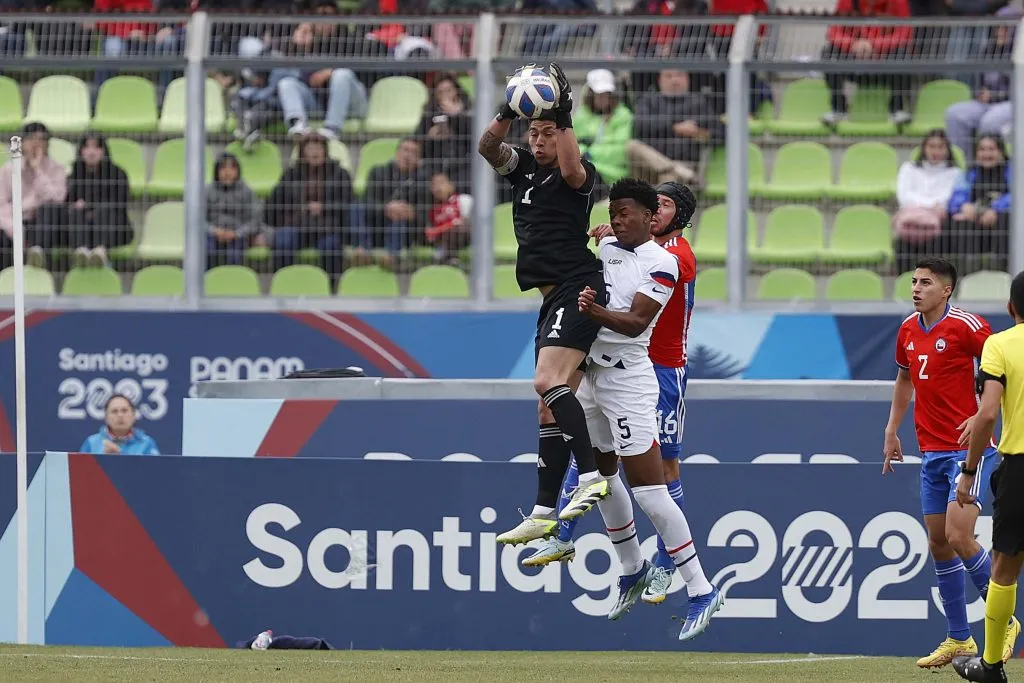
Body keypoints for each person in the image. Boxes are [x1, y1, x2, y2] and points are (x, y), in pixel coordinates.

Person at [524, 182, 699, 609]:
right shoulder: (625, 244)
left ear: (677, 216)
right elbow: (618, 257)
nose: (655, 211)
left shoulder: (675, 255)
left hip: (659, 364)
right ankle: (571, 538)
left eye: (664, 205)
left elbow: (639, 303)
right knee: (594, 457)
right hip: (607, 361)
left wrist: (617, 242)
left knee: (662, 470)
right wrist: (610, 238)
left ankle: (666, 565)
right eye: (650, 204)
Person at [572, 178, 723, 638]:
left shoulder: (667, 260)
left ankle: (701, 589)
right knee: (601, 476)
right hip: (593, 375)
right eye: (613, 211)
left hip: (632, 379)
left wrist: (592, 311)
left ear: (650, 216)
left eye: (627, 212)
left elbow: (637, 322)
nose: (617, 218)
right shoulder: (612, 247)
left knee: (652, 488)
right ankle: (633, 567)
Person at [478, 63, 610, 544]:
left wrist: (565, 110)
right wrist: (507, 109)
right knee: (548, 408)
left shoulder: (578, 174)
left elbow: (573, 168)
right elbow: (487, 148)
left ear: (564, 136)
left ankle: (592, 475)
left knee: (545, 382)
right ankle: (542, 510)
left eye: (547, 133)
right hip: (552, 295)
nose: (537, 141)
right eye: (532, 133)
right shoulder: (524, 171)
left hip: (578, 286)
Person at [882, 257, 1019, 669]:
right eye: (913, 281)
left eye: (926, 282)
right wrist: (892, 429)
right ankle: (959, 637)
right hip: (931, 450)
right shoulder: (908, 329)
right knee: (938, 541)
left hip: (968, 451)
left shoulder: (968, 326)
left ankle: (1006, 619)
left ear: (946, 290)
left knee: (960, 536)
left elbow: (1000, 369)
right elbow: (905, 379)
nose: (916, 288)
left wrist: (980, 415)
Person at [952, 271, 1024, 683]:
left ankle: (992, 665)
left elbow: (988, 413)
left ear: (1011, 307)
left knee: (1004, 568)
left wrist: (968, 470)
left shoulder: (999, 345)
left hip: (1020, 469)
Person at [206, 152, 266, 268]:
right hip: (213, 235)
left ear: (238, 171)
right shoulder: (207, 191)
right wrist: (214, 231)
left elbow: (255, 220)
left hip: (238, 235)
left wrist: (237, 233)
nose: (227, 173)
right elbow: (198, 219)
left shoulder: (247, 192)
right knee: (207, 249)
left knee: (235, 252)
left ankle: (233, 282)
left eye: (232, 168)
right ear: (216, 172)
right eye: (223, 168)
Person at [79, 394, 160, 456]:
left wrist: (120, 458)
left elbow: (154, 474)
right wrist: (103, 460)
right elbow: (81, 473)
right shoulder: (91, 442)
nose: (120, 415)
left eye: (124, 411)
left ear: (134, 415)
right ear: (106, 417)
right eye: (114, 411)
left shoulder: (147, 443)